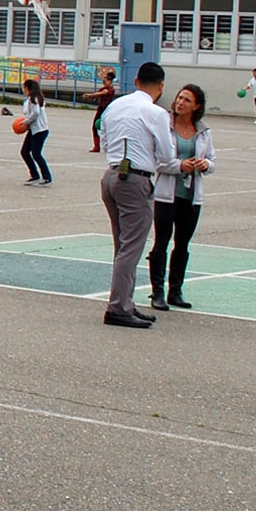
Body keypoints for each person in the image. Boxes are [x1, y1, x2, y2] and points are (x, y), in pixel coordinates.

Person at [98, 62, 177, 329]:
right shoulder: (155, 113)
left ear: (136, 80)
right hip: (135, 178)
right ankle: (119, 306)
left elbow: (105, 141)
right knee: (131, 247)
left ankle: (125, 301)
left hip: (112, 174)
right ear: (161, 85)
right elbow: (167, 156)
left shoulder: (115, 106)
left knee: (122, 246)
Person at [146, 84, 215, 311]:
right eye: (180, 98)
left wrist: (205, 164)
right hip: (167, 195)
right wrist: (180, 165)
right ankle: (157, 292)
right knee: (161, 242)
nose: (180, 102)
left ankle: (176, 290)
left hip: (191, 196)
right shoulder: (165, 126)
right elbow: (156, 160)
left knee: (182, 244)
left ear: (197, 106)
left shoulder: (203, 131)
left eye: (187, 100)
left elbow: (212, 159)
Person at [20, 78, 52, 185]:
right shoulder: (33, 99)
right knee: (24, 152)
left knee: (36, 154)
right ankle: (35, 175)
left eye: (24, 87)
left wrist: (26, 122)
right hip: (34, 130)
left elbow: (35, 113)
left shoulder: (34, 99)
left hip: (40, 130)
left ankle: (47, 177)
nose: (23, 89)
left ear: (28, 88)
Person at [84, 68, 118, 152]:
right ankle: (96, 146)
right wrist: (91, 96)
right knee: (94, 127)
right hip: (100, 110)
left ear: (110, 81)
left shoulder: (111, 89)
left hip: (107, 111)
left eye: (105, 81)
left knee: (108, 128)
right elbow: (98, 94)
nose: (104, 83)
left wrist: (91, 95)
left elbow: (103, 93)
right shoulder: (102, 89)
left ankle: (111, 145)